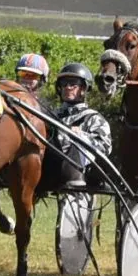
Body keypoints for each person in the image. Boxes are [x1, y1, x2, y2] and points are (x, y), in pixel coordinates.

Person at [44, 61, 110, 189]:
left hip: (83, 174)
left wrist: (82, 135)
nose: (68, 87)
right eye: (64, 84)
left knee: (78, 141)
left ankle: (74, 184)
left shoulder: (94, 118)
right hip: (51, 168)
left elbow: (105, 147)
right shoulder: (51, 115)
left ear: (84, 88)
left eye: (74, 84)